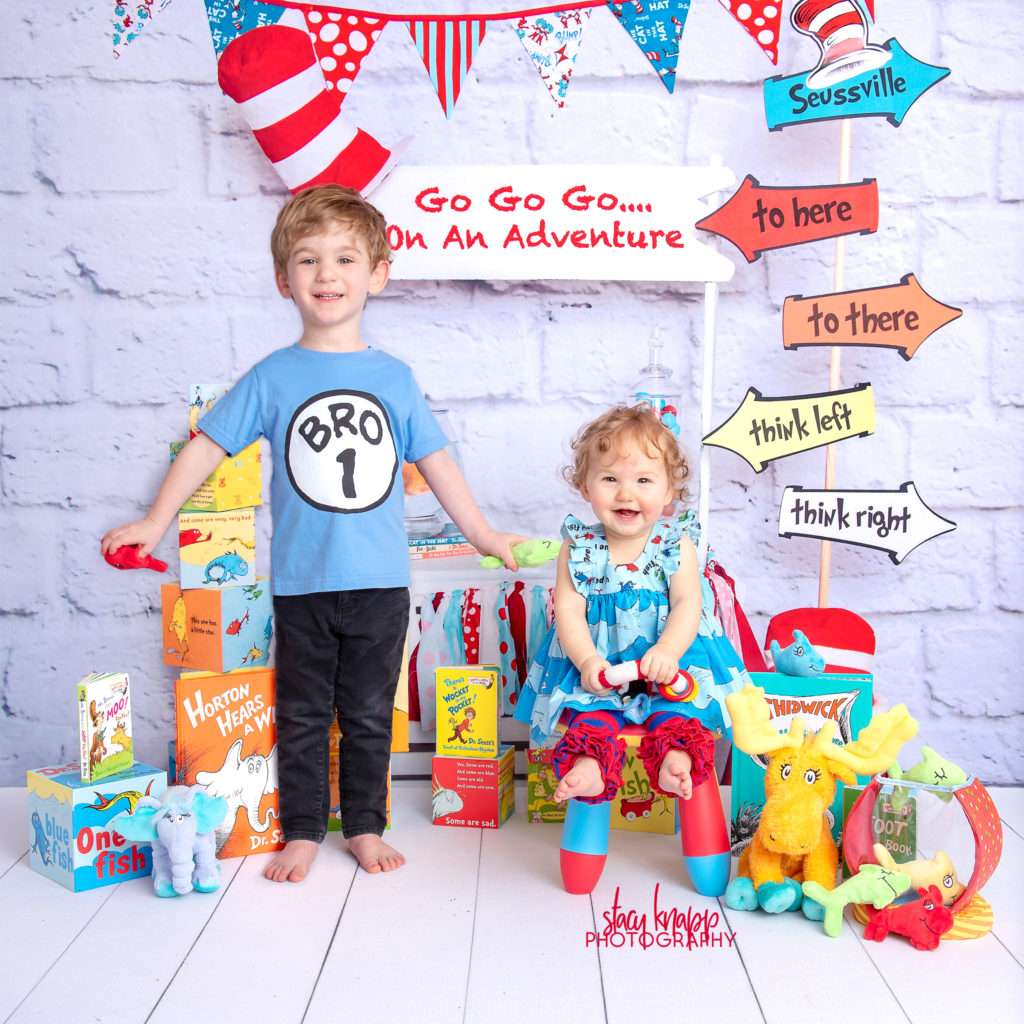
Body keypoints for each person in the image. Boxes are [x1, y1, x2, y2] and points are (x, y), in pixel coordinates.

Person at [101, 185, 522, 882]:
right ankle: (300, 829)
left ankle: (362, 825)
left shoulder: (394, 377)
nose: (326, 274)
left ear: (377, 274)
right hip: (302, 585)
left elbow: (437, 462)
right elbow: (208, 444)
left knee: (365, 717)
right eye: (308, 259)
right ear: (283, 279)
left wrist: (482, 535)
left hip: (380, 585)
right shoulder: (273, 376)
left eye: (345, 258)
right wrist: (155, 520)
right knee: (298, 717)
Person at [514, 405, 748, 806]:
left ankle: (675, 760)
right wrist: (587, 661)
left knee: (679, 713)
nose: (626, 493)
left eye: (643, 480)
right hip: (600, 661)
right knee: (591, 715)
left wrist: (667, 652)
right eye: (609, 479)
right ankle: (588, 767)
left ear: (669, 491)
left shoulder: (677, 542)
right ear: (585, 487)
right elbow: (568, 610)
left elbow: (688, 603)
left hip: (670, 659)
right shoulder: (579, 546)